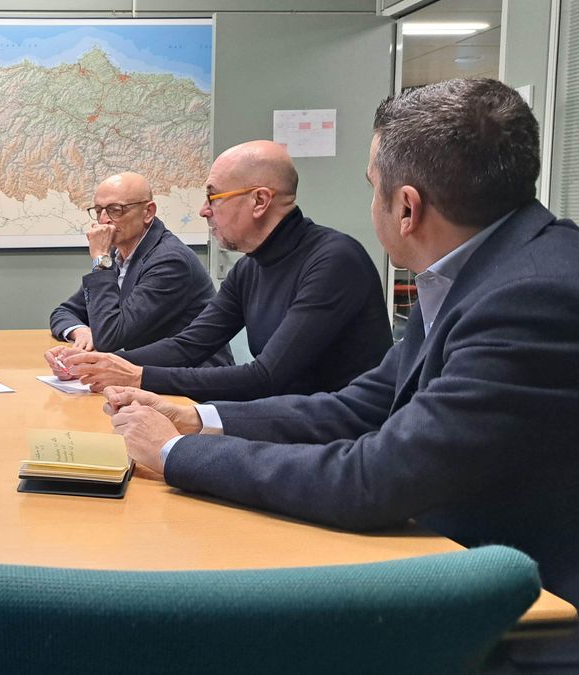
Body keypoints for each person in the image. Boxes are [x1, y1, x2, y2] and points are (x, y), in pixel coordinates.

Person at [105, 78, 579, 669]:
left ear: (406, 208)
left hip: (525, 620)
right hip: (456, 560)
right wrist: (198, 420)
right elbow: (359, 405)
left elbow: (374, 478)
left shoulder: (530, 296)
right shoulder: (478, 271)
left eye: (372, 187)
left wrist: (174, 454)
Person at [50, 141, 391, 402]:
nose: (204, 210)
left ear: (260, 201)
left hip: (340, 438)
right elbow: (189, 345)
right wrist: (99, 364)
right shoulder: (250, 267)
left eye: (213, 197)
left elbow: (266, 376)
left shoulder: (333, 261)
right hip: (287, 418)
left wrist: (137, 376)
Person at [47, 171, 232, 364]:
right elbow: (64, 312)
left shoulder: (170, 261)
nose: (103, 220)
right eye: (99, 210)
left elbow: (109, 338)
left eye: (115, 210)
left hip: (186, 376)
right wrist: (81, 331)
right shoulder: (117, 254)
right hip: (139, 368)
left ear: (148, 212)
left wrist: (100, 259)